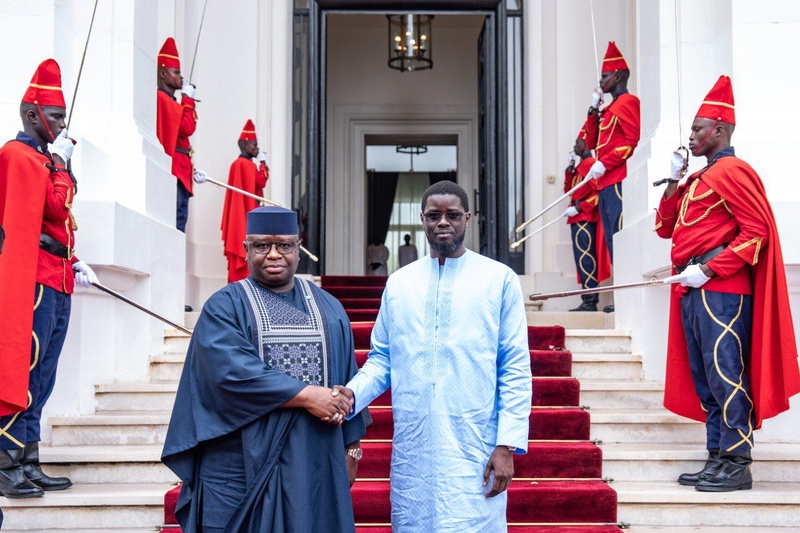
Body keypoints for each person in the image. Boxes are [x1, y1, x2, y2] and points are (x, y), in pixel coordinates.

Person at [162, 206, 370, 532]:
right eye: (262, 246)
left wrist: (352, 449)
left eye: (284, 245)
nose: (274, 254)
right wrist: (308, 396)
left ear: (298, 248)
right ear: (246, 249)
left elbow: (348, 383)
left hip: (313, 465)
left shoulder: (329, 308)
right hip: (240, 467)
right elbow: (230, 374)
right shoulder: (224, 306)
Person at [341, 181, 532, 531]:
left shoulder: (499, 279)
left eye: (452, 215)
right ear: (422, 220)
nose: (443, 222)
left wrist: (507, 444)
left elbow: (514, 367)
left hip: (475, 441)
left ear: (467, 218)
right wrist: (350, 396)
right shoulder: (399, 284)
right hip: (415, 444)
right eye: (434, 215)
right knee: (415, 521)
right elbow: (382, 359)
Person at [655, 75, 800, 492]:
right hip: (692, 286)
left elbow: (756, 233)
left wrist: (711, 268)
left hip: (721, 289)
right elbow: (667, 229)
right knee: (706, 379)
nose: (692, 136)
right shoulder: (699, 178)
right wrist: (672, 181)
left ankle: (738, 463)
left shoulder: (734, 171)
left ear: (719, 130)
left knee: (726, 373)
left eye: (698, 129)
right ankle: (718, 456)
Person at [0, 59, 98, 498]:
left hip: (57, 277)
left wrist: (73, 259)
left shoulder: (45, 159)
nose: (61, 125)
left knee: (45, 375)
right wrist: (58, 163)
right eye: (55, 116)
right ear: (32, 115)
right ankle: (5, 463)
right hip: (33, 280)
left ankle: (29, 458)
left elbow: (60, 222)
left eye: (62, 117)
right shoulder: (17, 156)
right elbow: (52, 210)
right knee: (25, 367)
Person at [582, 41, 641, 264]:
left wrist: (605, 162)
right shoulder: (608, 110)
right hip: (605, 183)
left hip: (617, 180)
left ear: (617, 77)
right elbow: (592, 141)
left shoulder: (628, 102)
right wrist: (593, 112)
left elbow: (631, 141)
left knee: (619, 236)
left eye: (604, 76)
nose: (600, 81)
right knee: (611, 240)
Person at [155, 37, 204, 233]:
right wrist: (187, 100)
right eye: (176, 72)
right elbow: (186, 127)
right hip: (174, 169)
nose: (181, 77)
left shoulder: (172, 102)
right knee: (174, 224)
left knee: (180, 223)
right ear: (163, 73)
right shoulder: (162, 99)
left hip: (182, 169)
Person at [563, 137, 611, 312]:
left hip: (585, 217)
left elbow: (599, 192)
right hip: (577, 217)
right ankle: (587, 298)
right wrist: (569, 171)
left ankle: (590, 300)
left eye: (576, 143)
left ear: (583, 144)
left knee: (586, 258)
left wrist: (580, 207)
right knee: (581, 258)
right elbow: (570, 191)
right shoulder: (580, 167)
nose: (575, 147)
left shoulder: (590, 163)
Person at [220, 119, 269, 283]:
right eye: (254, 145)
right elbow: (261, 182)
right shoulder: (246, 165)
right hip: (247, 218)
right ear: (247, 145)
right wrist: (263, 164)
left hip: (240, 217)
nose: (257, 148)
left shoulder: (237, 164)